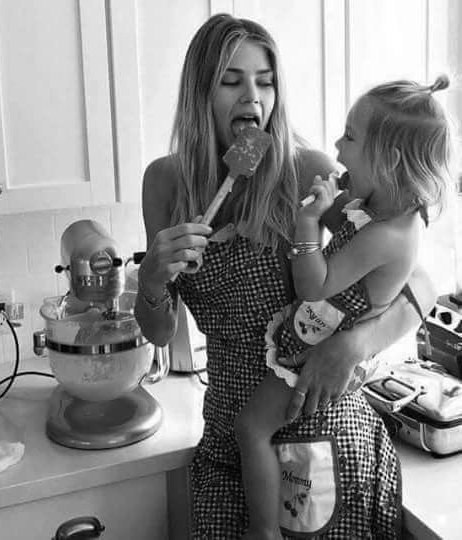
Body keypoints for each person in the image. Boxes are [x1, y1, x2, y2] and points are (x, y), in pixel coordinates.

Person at [134, 13, 438, 539]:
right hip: (231, 440)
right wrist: (152, 281)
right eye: (231, 81)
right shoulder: (164, 185)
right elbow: (160, 333)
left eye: (265, 81)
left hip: (320, 432)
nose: (252, 96)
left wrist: (357, 344)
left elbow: (418, 277)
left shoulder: (307, 172)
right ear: (199, 94)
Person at [234, 75, 453, 540]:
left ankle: (262, 534)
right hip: (306, 346)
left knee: (251, 426)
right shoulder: (381, 207)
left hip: (317, 371)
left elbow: (315, 285)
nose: (337, 147)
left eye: (350, 137)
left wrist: (307, 220)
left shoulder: (387, 232)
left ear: (388, 159)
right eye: (230, 82)